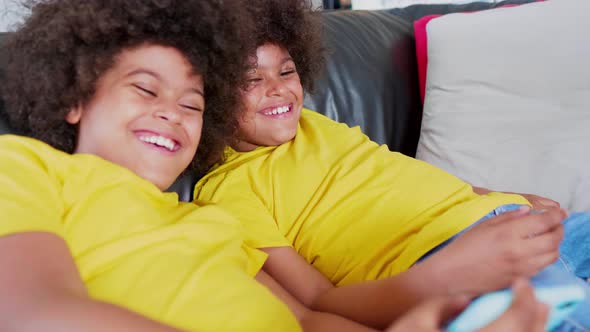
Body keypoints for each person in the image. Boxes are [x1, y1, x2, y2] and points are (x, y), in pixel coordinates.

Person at [0, 1, 549, 331]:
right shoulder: (24, 166)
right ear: (74, 98)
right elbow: (37, 314)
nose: (172, 111)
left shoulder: (211, 223)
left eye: (193, 104)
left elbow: (310, 320)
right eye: (145, 89)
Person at [193, 0, 590, 330]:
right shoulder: (228, 191)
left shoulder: (315, 124)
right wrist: (436, 278)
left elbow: (398, 178)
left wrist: (496, 195)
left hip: (511, 219)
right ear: (209, 96)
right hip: (452, 257)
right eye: (251, 80)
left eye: (286, 71)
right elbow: (317, 299)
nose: (278, 88)